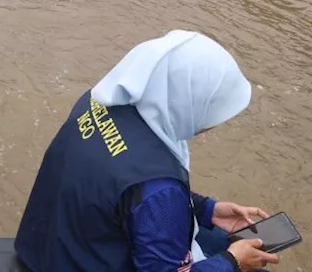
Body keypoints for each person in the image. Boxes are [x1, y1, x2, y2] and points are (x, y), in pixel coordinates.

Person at [15, 31, 279, 272]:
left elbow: (120, 188)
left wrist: (207, 209)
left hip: (46, 250)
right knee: (241, 256)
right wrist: (232, 263)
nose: (216, 122)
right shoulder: (160, 189)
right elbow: (150, 195)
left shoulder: (99, 100)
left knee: (221, 238)